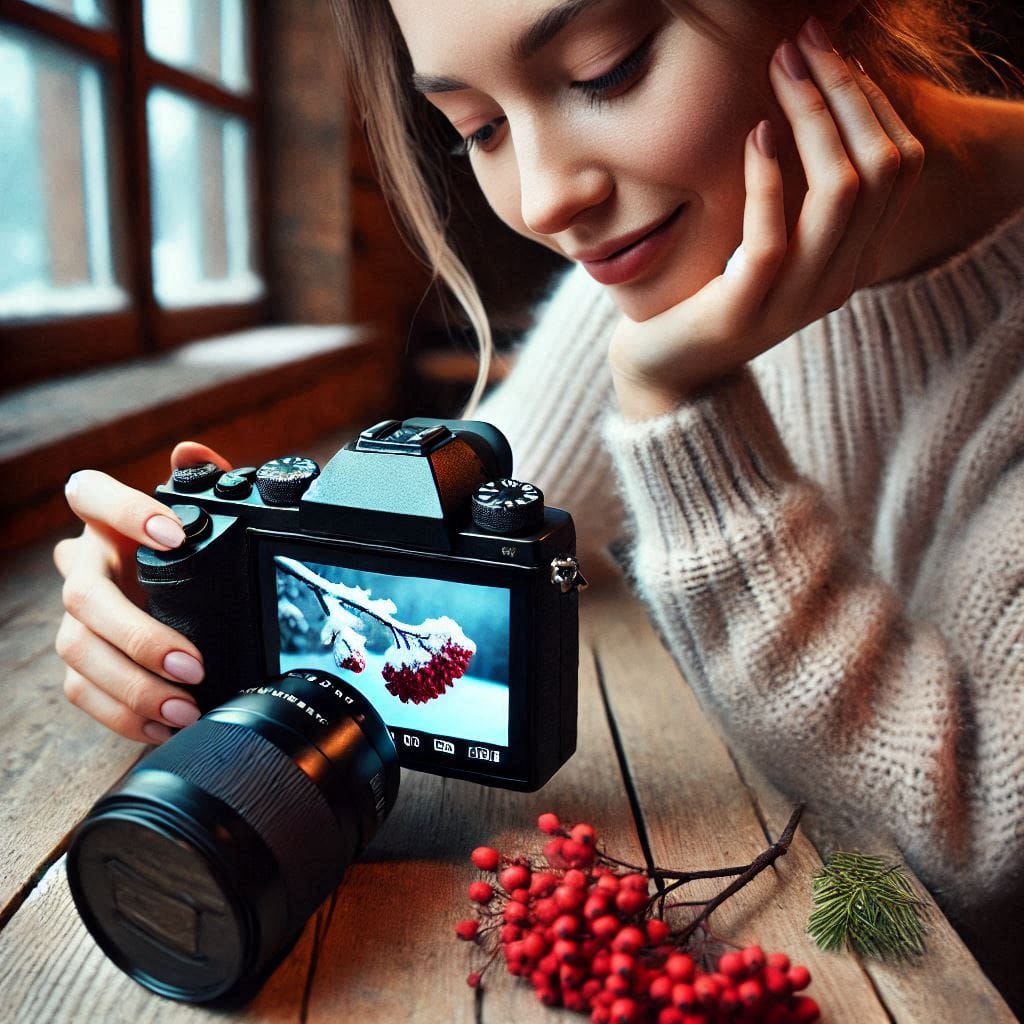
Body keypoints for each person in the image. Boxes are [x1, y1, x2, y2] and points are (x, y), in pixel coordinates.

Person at [55, 0, 1024, 1007]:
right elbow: (464, 513)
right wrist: (193, 593)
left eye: (608, 69)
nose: (546, 196)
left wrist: (674, 401)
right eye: (477, 128)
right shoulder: (669, 258)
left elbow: (976, 837)